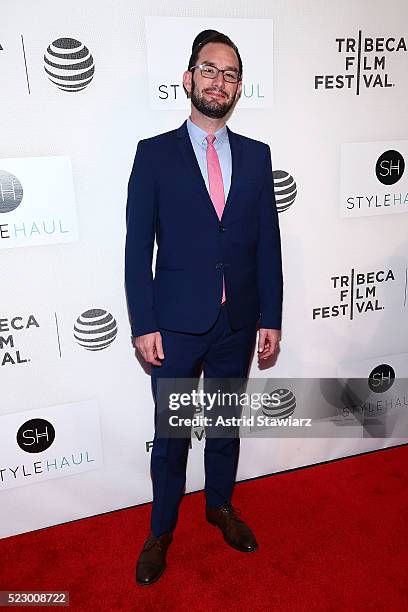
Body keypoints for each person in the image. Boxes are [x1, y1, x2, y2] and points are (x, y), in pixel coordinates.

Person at [125, 29, 283, 586]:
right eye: (210, 70)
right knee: (171, 434)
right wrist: (143, 324)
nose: (221, 81)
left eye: (232, 73)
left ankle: (219, 507)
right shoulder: (153, 155)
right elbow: (135, 247)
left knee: (223, 425)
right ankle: (160, 531)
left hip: (236, 322)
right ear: (189, 79)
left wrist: (271, 316)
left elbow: (268, 243)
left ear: (240, 87)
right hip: (173, 325)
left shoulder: (258, 156)